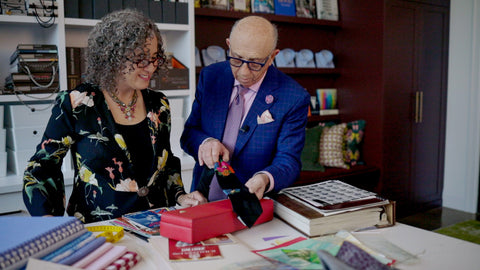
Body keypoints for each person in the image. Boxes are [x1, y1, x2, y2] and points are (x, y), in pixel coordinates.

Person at [22, 9, 205, 223]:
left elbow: (167, 163)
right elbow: (41, 169)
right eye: (141, 59)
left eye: (154, 58)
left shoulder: (159, 104)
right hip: (99, 230)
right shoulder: (76, 103)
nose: (151, 67)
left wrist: (180, 196)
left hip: (156, 225)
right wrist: (47, 220)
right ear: (113, 57)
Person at [180, 16, 310, 202]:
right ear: (228, 45)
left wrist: (265, 178)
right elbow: (189, 134)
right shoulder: (210, 77)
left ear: (273, 56)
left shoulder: (294, 97)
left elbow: (289, 161)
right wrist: (206, 142)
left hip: (252, 205)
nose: (244, 72)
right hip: (201, 200)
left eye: (255, 63)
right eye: (236, 59)